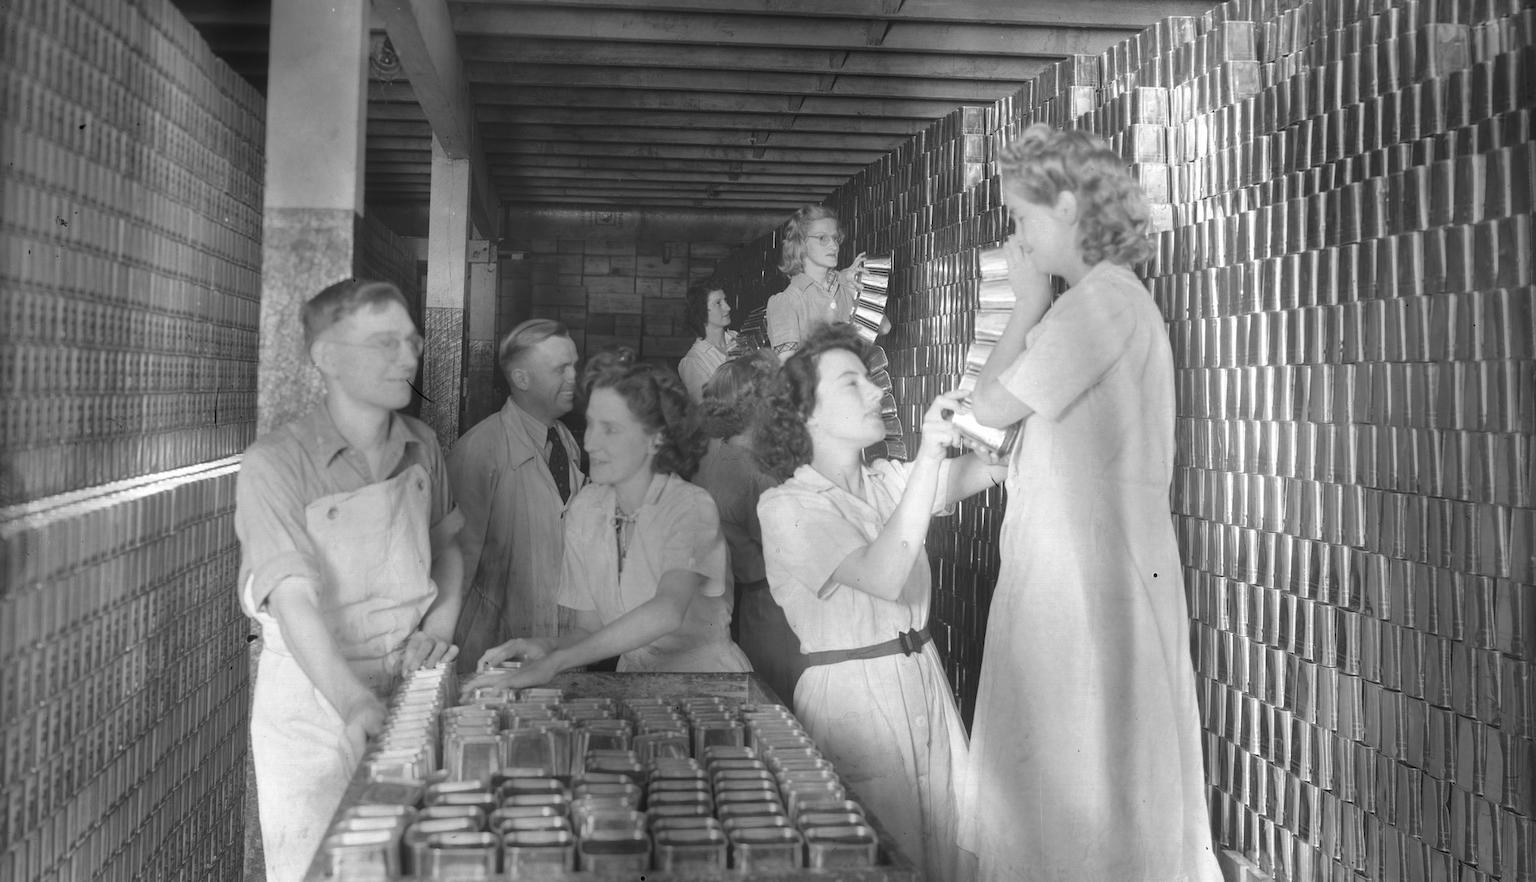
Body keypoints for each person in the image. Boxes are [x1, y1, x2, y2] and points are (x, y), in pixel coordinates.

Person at [962, 124, 1222, 882]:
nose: (1017, 236)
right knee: (1084, 794)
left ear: (1068, 207)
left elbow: (989, 403)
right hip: (1088, 578)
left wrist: (1024, 302)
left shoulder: (1095, 306)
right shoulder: (1108, 303)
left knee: (1075, 804)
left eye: (1022, 217)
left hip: (1084, 588)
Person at [755, 323, 1005, 882]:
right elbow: (885, 573)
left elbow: (991, 466)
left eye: (870, 380)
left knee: (946, 857)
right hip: (854, 699)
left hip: (922, 680)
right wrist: (933, 452)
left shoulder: (885, 481)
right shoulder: (786, 505)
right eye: (852, 384)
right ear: (805, 414)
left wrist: (997, 410)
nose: (877, 393)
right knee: (876, 864)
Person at [234, 279, 463, 882]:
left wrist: (438, 630)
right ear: (326, 358)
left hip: (407, 680)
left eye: (411, 341)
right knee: (322, 867)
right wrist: (356, 703)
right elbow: (293, 600)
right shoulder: (275, 463)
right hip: (315, 696)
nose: (409, 357)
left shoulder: (425, 446)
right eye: (385, 343)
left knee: (410, 866)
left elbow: (450, 549)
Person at [472, 350, 751, 685]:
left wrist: (558, 661)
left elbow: (667, 610)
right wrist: (544, 647)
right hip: (633, 685)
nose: (589, 442)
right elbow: (589, 629)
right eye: (590, 424)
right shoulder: (585, 509)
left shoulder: (691, 506)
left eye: (611, 429)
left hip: (708, 686)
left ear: (656, 438)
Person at [447, 319, 584, 673]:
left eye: (574, 365)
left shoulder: (565, 440)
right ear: (522, 379)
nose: (573, 377)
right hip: (494, 650)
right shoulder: (479, 450)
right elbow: (455, 567)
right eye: (560, 369)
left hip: (556, 645)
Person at [690, 351, 806, 705]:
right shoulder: (751, 475)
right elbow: (797, 554)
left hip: (751, 608)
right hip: (775, 612)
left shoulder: (717, 454)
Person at [764, 204, 869, 356]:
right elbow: (788, 369)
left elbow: (884, 328)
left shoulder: (845, 286)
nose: (834, 246)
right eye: (822, 238)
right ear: (801, 243)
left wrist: (856, 291)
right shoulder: (787, 301)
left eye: (835, 238)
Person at [677, 283, 738, 401]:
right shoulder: (693, 362)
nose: (728, 307)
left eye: (725, 300)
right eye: (718, 303)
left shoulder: (737, 338)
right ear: (702, 312)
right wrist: (729, 368)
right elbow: (706, 409)